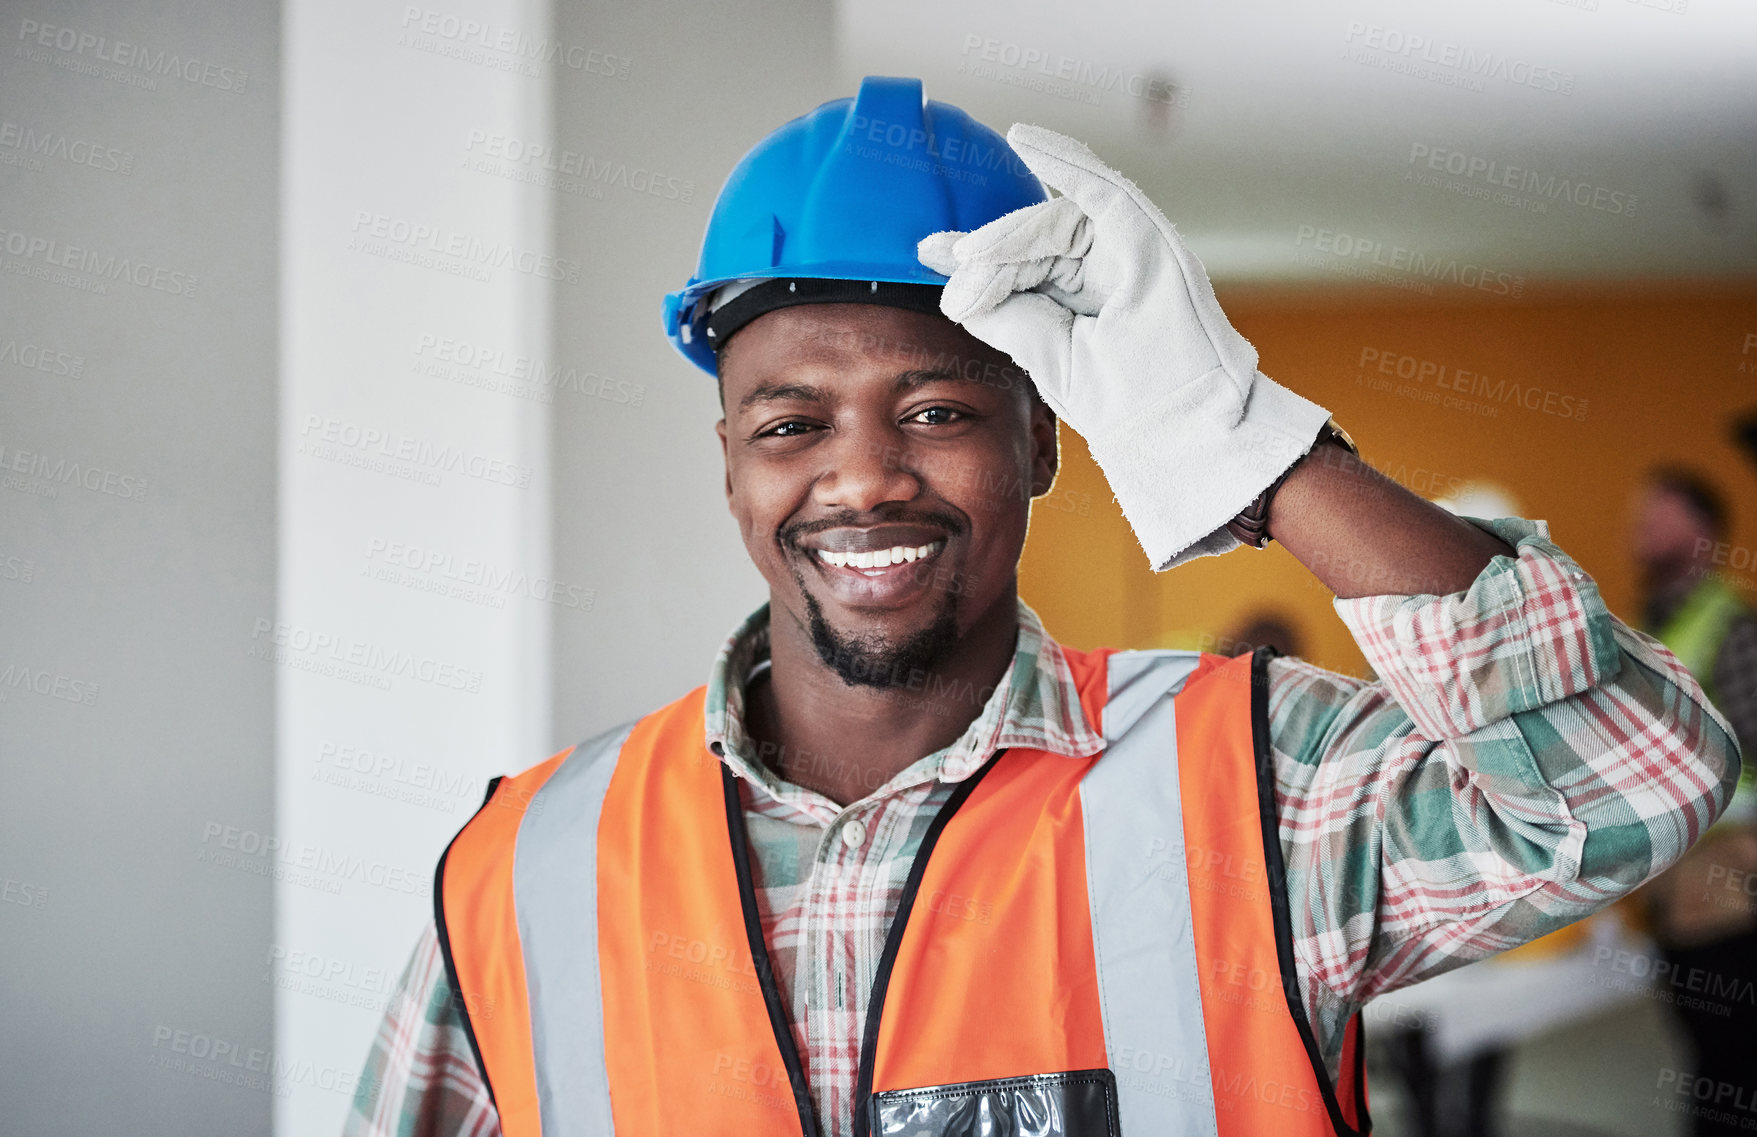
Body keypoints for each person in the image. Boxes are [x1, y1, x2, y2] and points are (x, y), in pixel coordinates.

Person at [342, 77, 1738, 1137]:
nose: (865, 477)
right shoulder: (528, 862)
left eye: (938, 409)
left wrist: (1257, 453)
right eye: (790, 423)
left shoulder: (1260, 791)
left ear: (1044, 442)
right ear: (730, 465)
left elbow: (1631, 784)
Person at [1629, 469, 1757, 1137]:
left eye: (1657, 513)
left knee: (1732, 1078)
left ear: (1702, 533)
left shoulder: (1731, 630)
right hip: (1677, 894)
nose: (1637, 527)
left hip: (1730, 896)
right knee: (1707, 1069)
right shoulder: (1654, 624)